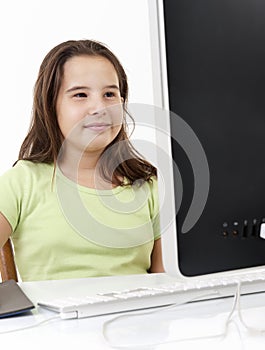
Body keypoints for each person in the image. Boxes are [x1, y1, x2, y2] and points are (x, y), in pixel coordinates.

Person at [0, 39, 164, 281]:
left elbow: (168, 282)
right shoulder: (22, 182)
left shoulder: (148, 185)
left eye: (110, 94)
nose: (99, 107)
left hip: (139, 317)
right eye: (80, 95)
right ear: (50, 105)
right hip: (52, 320)